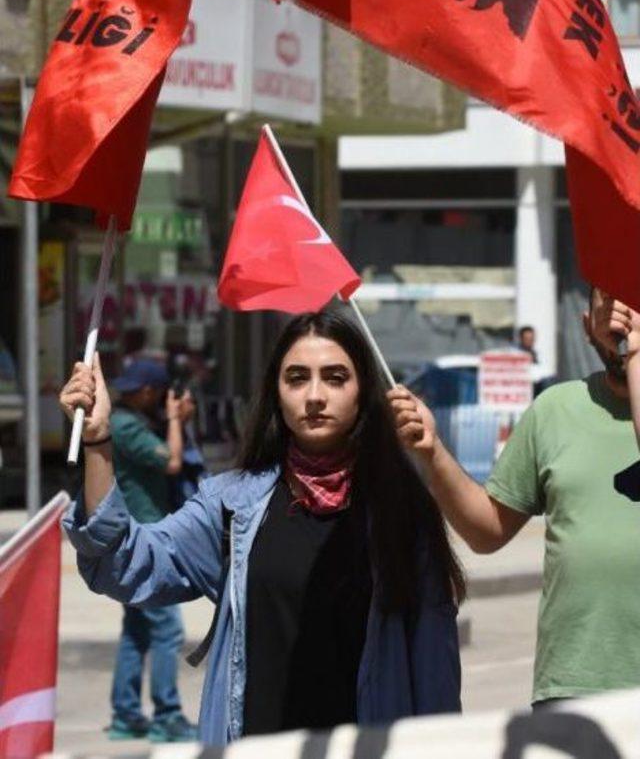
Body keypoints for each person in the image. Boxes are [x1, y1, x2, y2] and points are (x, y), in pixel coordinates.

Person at [60, 310, 464, 746]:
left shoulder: (401, 512)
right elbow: (122, 562)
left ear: (363, 390)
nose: (314, 396)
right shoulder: (233, 504)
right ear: (276, 391)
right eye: (296, 378)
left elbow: (435, 678)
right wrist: (98, 441)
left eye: (334, 377)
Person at [394, 287, 640, 706]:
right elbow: (487, 530)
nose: (621, 314)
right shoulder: (555, 410)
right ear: (586, 327)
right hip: (575, 688)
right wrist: (433, 453)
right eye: (609, 300)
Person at [64, 357, 198, 742]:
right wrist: (175, 421)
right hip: (143, 535)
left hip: (136, 533)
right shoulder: (124, 426)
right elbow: (172, 462)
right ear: (151, 394)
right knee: (168, 629)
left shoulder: (129, 423)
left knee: (137, 631)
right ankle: (167, 716)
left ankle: (126, 714)